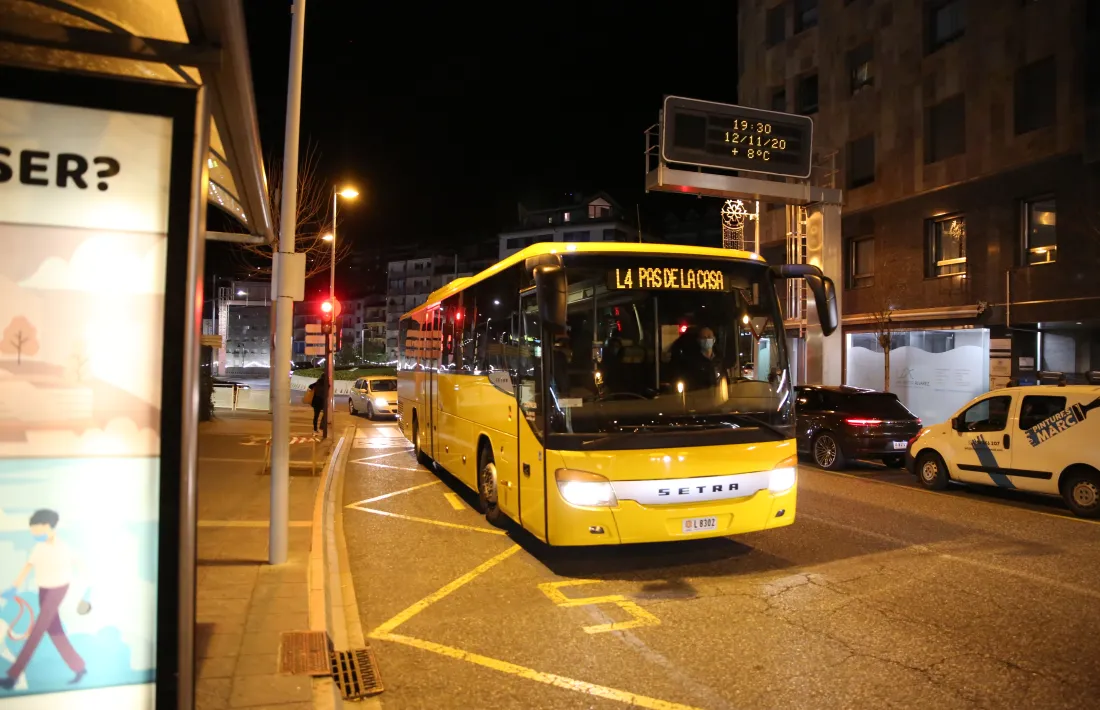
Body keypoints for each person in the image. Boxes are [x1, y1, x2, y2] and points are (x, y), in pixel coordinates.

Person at [0, 509, 88, 690]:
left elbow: (81, 567)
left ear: (48, 527)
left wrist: (82, 595)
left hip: (58, 591)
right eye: (33, 531)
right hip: (43, 591)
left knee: (37, 632)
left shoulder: (63, 548)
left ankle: (13, 676)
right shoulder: (38, 548)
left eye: (37, 531)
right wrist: (14, 587)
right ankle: (79, 667)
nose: (34, 534)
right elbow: (27, 567)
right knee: (55, 632)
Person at [672, 326, 724, 391]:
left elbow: (724, 378)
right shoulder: (692, 361)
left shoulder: (719, 359)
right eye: (703, 337)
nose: (706, 339)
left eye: (709, 336)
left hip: (718, 396)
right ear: (699, 340)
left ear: (714, 339)